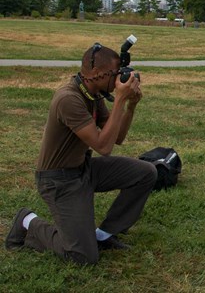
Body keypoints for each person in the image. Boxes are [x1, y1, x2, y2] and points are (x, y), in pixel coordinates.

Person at [5, 43, 157, 264]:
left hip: (82, 170)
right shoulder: (69, 99)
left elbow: (117, 138)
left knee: (146, 173)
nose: (118, 80)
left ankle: (103, 236)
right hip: (58, 181)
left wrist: (130, 106)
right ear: (96, 73)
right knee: (81, 256)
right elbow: (103, 148)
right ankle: (28, 222)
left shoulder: (93, 94)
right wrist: (120, 100)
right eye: (115, 74)